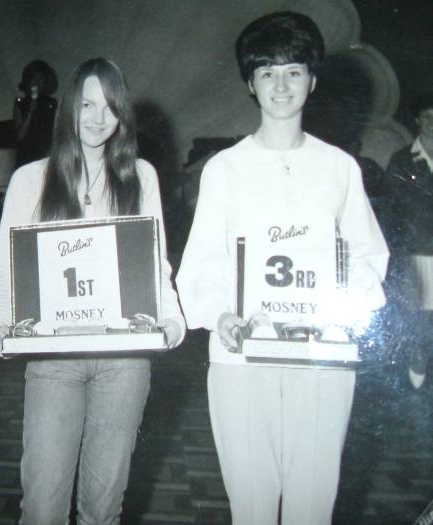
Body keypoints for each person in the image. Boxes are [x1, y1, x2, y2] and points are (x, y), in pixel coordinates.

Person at [176, 12, 388, 525]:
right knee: (251, 506)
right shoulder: (225, 170)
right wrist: (221, 315)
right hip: (242, 358)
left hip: (320, 357)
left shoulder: (339, 168)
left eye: (293, 70)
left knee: (312, 506)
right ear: (251, 83)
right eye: (267, 72)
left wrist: (344, 310)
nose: (281, 84)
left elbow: (368, 255)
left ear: (312, 81)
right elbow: (201, 262)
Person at [0, 57, 185, 524]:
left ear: (123, 116)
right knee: (41, 505)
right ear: (68, 109)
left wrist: (171, 315)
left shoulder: (142, 176)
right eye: (87, 105)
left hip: (124, 360)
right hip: (54, 359)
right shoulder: (30, 179)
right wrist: (0, 322)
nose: (98, 118)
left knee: (103, 507)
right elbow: (7, 267)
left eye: (110, 107)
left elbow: (155, 260)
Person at [382, 92, 433, 389]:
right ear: (417, 120)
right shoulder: (402, 161)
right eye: (427, 117)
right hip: (415, 256)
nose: (432, 124)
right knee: (417, 324)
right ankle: (417, 380)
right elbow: (391, 214)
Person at [13, 59, 58, 167]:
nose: (38, 83)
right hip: (27, 157)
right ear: (28, 81)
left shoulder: (51, 104)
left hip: (46, 156)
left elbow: (57, 133)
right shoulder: (20, 104)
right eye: (35, 79)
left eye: (41, 79)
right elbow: (20, 136)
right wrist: (30, 112)